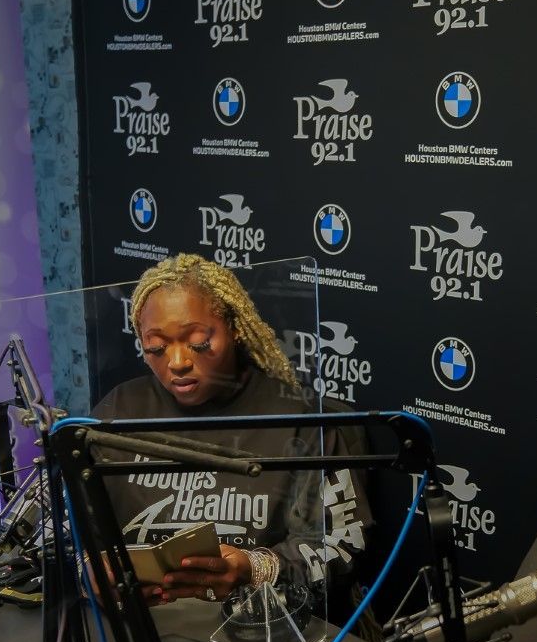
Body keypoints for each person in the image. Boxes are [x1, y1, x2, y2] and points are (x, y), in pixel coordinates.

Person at [90, 254, 372, 615]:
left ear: (234, 328)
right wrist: (88, 570)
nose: (177, 362)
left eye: (197, 342)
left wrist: (253, 570)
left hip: (256, 628)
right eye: (156, 347)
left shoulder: (298, 419)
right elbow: (57, 529)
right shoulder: (118, 411)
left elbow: (342, 545)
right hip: (141, 626)